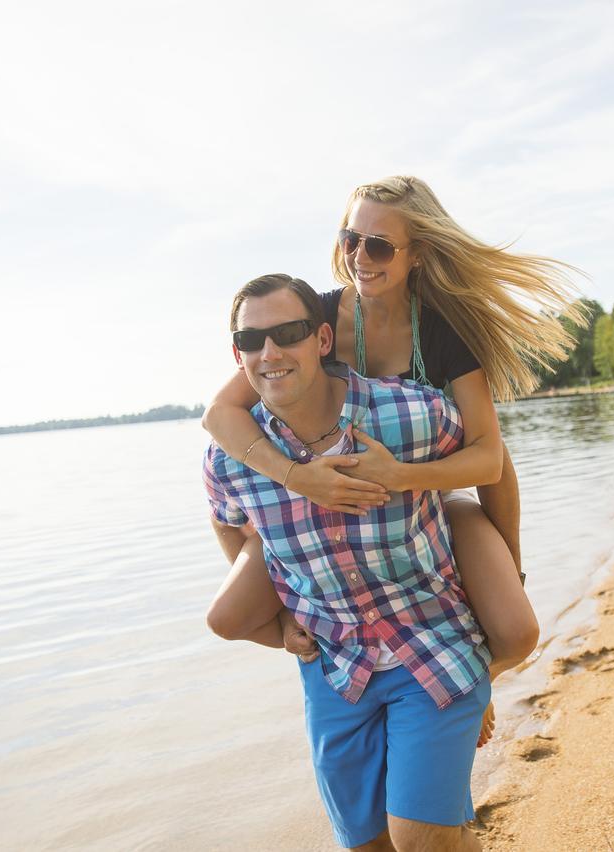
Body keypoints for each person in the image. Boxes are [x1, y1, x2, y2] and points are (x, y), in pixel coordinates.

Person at [203, 176, 582, 746]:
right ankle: (326, 654)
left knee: (514, 631)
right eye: (350, 238)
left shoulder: (443, 331)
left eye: (379, 245)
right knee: (229, 617)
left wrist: (508, 567)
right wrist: (298, 478)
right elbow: (219, 415)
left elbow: (489, 461)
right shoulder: (319, 321)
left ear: (418, 253)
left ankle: (468, 690)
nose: (359, 256)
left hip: (432, 496)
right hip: (319, 509)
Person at [204, 274, 490, 851]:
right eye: (253, 340)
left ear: (323, 340)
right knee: (367, 846)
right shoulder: (230, 459)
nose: (271, 352)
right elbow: (226, 519)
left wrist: (509, 575)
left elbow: (490, 462)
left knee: (422, 841)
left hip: (432, 645)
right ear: (238, 356)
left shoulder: (411, 416)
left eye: (289, 333)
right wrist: (284, 619)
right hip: (336, 669)